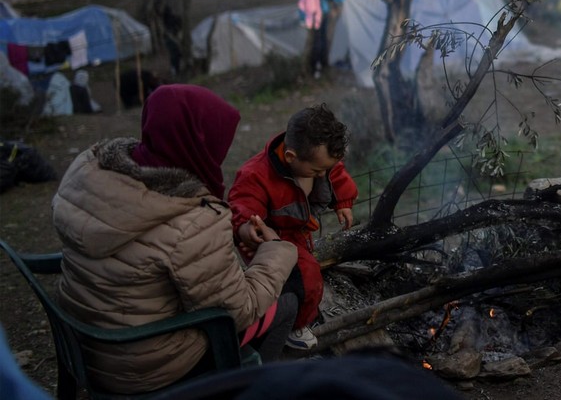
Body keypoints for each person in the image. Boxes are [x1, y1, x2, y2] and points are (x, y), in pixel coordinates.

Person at [51, 85, 297, 395]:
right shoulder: (192, 220)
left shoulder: (93, 172)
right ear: (198, 143)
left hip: (85, 342)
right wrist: (278, 250)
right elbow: (239, 312)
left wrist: (232, 232)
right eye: (219, 143)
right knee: (286, 302)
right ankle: (246, 389)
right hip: (146, 368)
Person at [228, 103, 358, 351]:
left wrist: (343, 202)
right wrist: (245, 228)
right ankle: (295, 325)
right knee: (306, 277)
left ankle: (294, 314)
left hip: (296, 233)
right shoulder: (255, 175)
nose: (321, 175)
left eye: (324, 169)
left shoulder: (314, 160)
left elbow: (335, 172)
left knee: (303, 275)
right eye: (317, 170)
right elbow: (241, 206)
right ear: (290, 157)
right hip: (267, 239)